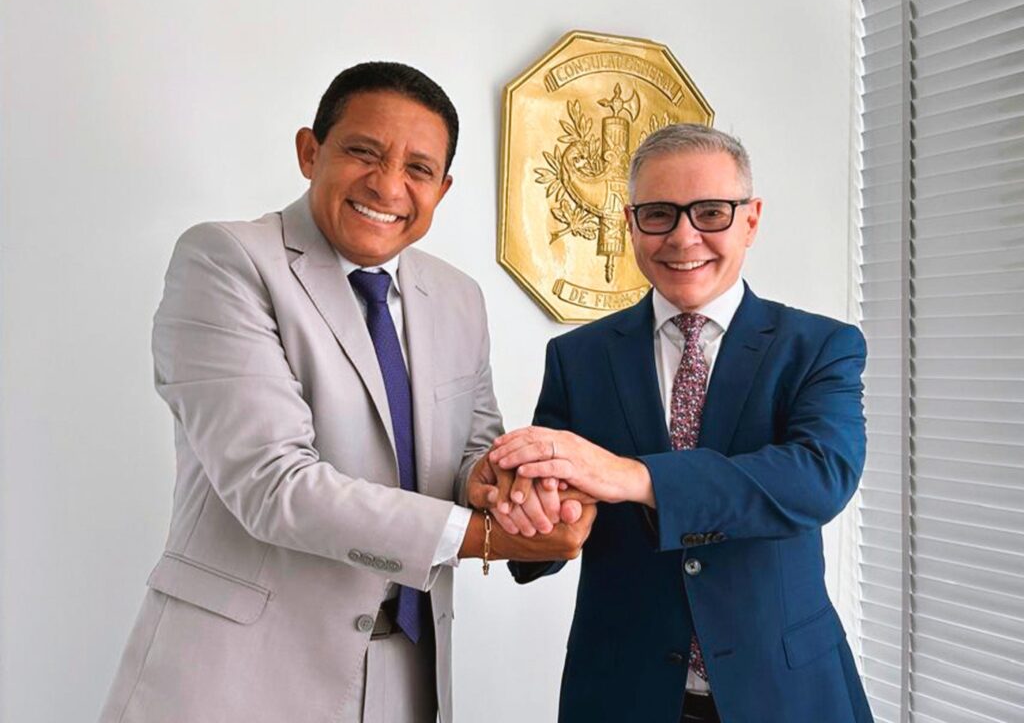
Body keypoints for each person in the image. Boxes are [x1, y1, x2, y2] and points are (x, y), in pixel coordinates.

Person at [99, 61, 595, 723]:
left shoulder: (458, 297)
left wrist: (502, 486)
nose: (388, 185)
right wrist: (484, 539)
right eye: (364, 152)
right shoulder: (225, 261)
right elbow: (273, 485)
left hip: (410, 671)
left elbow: (471, 449)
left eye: (418, 169)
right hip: (237, 677)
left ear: (442, 189)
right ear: (311, 152)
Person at [489, 124, 874, 722]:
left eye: (711, 212)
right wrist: (531, 511)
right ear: (630, 223)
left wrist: (634, 476)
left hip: (785, 692)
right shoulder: (578, 357)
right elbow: (547, 532)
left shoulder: (819, 346)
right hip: (621, 693)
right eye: (659, 214)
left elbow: (819, 478)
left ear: (751, 220)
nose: (683, 236)